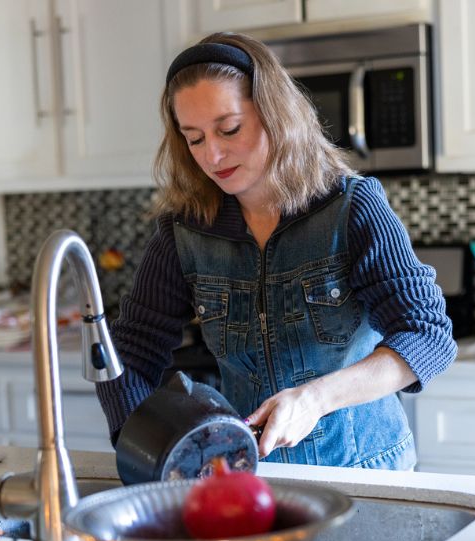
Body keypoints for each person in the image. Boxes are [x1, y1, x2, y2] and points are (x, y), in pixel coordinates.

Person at [96, 31, 456, 470]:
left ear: (275, 114)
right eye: (194, 138)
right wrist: (146, 445)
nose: (212, 155)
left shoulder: (351, 209)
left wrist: (315, 399)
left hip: (367, 470)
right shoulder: (185, 231)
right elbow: (132, 351)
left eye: (229, 129)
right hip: (251, 475)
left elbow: (427, 335)